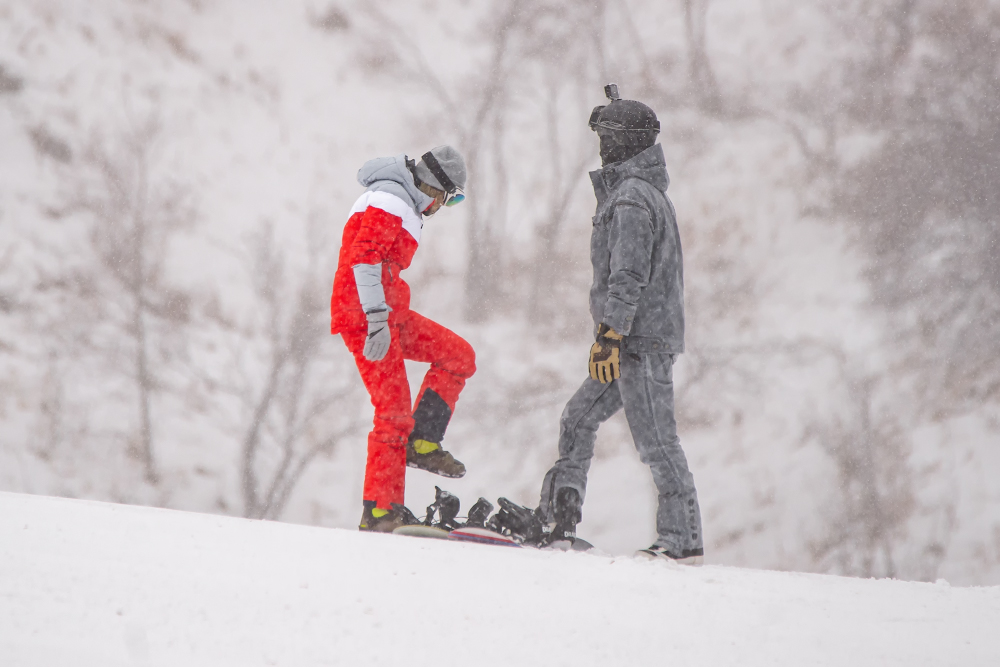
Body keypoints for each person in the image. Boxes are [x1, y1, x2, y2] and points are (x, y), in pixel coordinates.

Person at [536, 85, 704, 564]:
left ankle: (682, 540)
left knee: (656, 440)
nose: (602, 147)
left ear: (627, 142)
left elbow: (628, 275)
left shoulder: (631, 198)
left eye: (608, 137)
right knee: (579, 416)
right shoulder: (640, 193)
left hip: (638, 341)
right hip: (629, 339)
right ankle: (560, 520)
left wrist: (610, 337)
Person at [331, 146, 475, 533]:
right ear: (436, 188)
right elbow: (364, 257)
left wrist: (385, 314)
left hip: (390, 312)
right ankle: (380, 511)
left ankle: (423, 443)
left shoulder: (401, 199)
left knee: (458, 356)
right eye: (450, 199)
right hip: (366, 316)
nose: (443, 208)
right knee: (392, 413)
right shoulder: (391, 199)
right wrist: (376, 318)